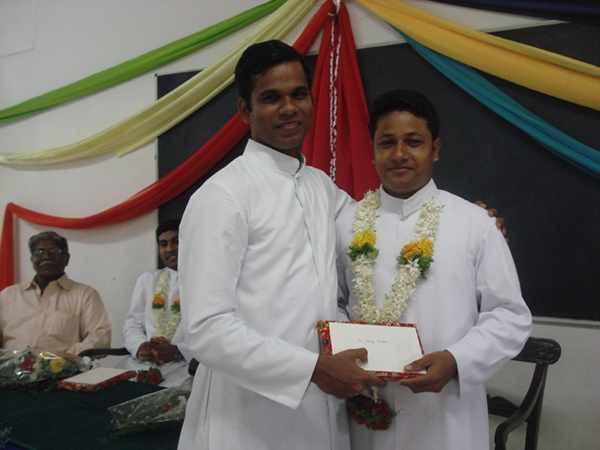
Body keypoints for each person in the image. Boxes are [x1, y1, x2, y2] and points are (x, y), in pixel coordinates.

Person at [177, 40, 383, 450]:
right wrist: (311, 370)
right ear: (245, 110)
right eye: (271, 98)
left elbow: (376, 228)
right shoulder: (222, 195)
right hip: (248, 415)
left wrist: (459, 219)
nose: (289, 108)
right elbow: (205, 329)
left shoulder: (320, 186)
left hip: (322, 407)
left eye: (299, 94)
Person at [336, 89, 532, 450]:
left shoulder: (474, 223)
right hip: (366, 412)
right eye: (387, 143)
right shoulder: (346, 223)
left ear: (435, 149)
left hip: (446, 418)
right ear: (372, 151)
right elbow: (333, 302)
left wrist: (457, 361)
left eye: (413, 142)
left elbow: (509, 316)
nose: (399, 154)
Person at [0, 231, 111, 355]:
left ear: (66, 259)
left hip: (64, 366)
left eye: (54, 251)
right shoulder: (8, 295)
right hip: (9, 366)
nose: (46, 256)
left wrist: (63, 359)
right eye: (39, 252)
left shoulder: (85, 295)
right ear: (32, 259)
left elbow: (101, 339)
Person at [122, 219, 191, 387]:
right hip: (143, 365)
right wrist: (140, 346)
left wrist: (178, 351)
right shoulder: (147, 280)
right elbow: (132, 323)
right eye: (163, 244)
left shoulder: (203, 282)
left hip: (185, 367)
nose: (170, 249)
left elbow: (211, 332)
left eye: (176, 242)